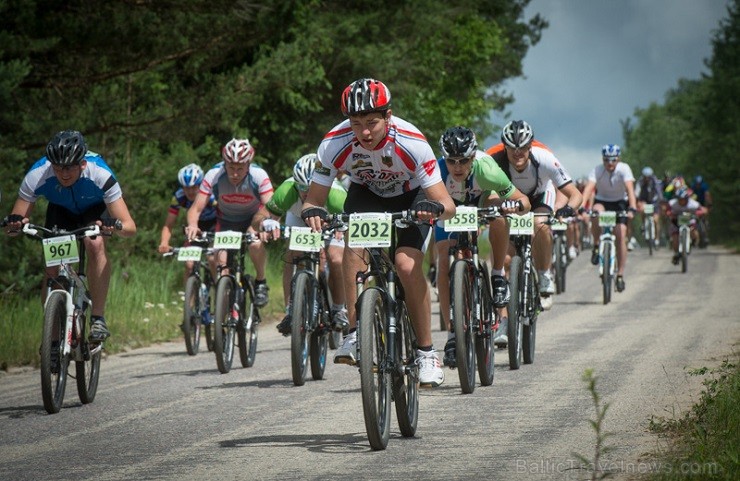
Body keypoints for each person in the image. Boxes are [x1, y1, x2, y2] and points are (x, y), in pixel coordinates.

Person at [301, 78, 456, 388]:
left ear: (388, 116)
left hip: (415, 198)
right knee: (353, 248)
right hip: (367, 194)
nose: (365, 132)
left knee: (406, 265)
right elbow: (313, 199)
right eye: (356, 123)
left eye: (372, 122)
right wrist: (312, 211)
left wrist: (435, 211)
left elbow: (447, 204)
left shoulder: (411, 142)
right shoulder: (334, 143)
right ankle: (355, 332)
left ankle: (426, 352)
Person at [3, 130, 137, 342]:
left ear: (82, 164)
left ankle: (97, 318)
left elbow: (130, 228)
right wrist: (14, 225)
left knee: (94, 243)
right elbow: (15, 224)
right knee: (53, 268)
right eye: (57, 168)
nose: (63, 174)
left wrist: (114, 226)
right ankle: (52, 339)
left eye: (69, 168)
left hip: (94, 211)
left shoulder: (100, 173)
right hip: (61, 211)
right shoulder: (37, 174)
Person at [434, 126, 530, 367]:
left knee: (498, 214)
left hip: (482, 198)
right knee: (443, 262)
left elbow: (524, 201)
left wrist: (514, 207)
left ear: (473, 157)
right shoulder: (437, 171)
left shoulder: (487, 169)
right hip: (450, 207)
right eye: (452, 160)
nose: (457, 166)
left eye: (464, 160)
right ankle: (452, 335)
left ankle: (497, 274)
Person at [486, 120, 583, 311]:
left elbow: (575, 194)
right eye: (511, 148)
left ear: (531, 145)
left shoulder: (545, 158)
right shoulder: (493, 160)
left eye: (522, 147)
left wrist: (567, 209)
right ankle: (505, 319)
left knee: (540, 224)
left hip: (539, 196)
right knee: (505, 259)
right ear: (504, 147)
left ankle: (545, 273)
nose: (517, 152)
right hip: (509, 201)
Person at [263, 154, 348, 336]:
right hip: (299, 218)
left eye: (310, 189)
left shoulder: (336, 195)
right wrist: (270, 223)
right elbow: (270, 215)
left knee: (336, 258)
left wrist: (343, 228)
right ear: (295, 184)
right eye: (302, 189)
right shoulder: (286, 192)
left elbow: (350, 220)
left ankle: (339, 308)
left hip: (331, 219)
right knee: (291, 255)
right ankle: (289, 311)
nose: (307, 194)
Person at [184, 137, 273, 307]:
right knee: (222, 264)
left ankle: (261, 281)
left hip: (252, 220)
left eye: (240, 168)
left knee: (254, 243)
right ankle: (224, 317)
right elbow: (195, 209)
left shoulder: (259, 175)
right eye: (231, 167)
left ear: (248, 165)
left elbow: (270, 205)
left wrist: (264, 225)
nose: (235, 173)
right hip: (226, 222)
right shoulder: (214, 174)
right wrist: (193, 225)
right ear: (224, 163)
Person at [581, 144, 637, 292]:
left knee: (621, 234)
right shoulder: (597, 170)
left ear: (618, 159)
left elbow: (630, 190)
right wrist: (582, 208)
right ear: (603, 159)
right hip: (603, 201)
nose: (610, 163)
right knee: (595, 212)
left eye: (613, 160)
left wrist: (632, 207)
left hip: (620, 203)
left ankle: (620, 275)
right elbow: (588, 189)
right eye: (606, 160)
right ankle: (597, 244)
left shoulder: (624, 169)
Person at [157, 163, 218, 284]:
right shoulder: (179, 197)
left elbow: (224, 215)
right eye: (186, 188)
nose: (190, 191)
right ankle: (188, 300)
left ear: (200, 185)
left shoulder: (210, 196)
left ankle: (221, 289)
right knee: (189, 264)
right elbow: (168, 225)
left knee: (212, 259)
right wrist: (164, 242)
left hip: (215, 226)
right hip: (194, 228)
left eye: (194, 187)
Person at [666, 186, 706, 263]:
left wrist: (697, 213)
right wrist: (669, 213)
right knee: (675, 238)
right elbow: (667, 210)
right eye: (680, 200)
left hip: (690, 221)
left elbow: (703, 210)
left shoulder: (693, 204)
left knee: (694, 231)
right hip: (676, 221)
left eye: (683, 200)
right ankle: (676, 253)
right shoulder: (672, 203)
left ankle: (694, 241)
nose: (682, 201)